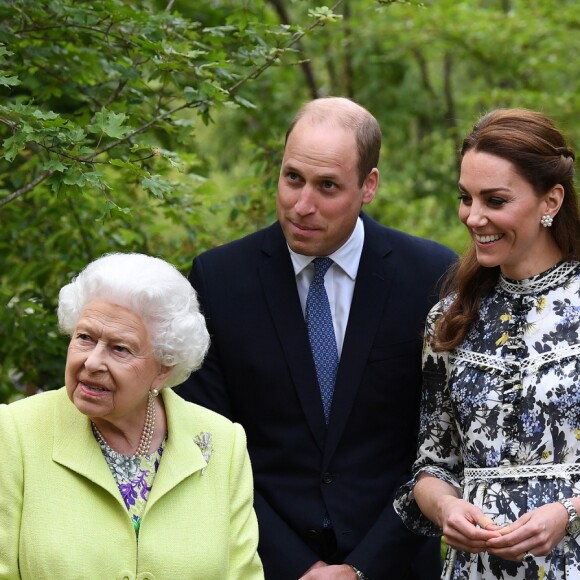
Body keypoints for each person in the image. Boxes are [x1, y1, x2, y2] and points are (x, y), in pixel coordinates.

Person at [177, 96, 457, 579]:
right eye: (293, 179)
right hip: (261, 562)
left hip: (395, 563)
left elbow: (442, 444)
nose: (302, 205)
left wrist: (363, 567)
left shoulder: (430, 275)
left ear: (369, 185)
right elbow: (202, 442)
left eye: (327, 186)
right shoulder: (218, 279)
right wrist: (298, 566)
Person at [393, 108, 580, 579]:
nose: (473, 217)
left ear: (550, 201)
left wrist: (569, 514)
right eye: (465, 197)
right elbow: (433, 465)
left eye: (494, 200)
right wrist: (445, 510)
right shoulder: (451, 317)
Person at [0, 252, 264, 580]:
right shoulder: (14, 432)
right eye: (85, 338)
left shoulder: (222, 442)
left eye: (120, 349)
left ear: (163, 368)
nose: (93, 362)